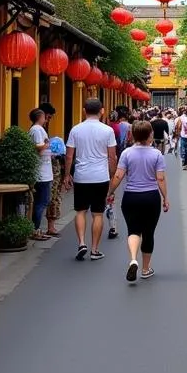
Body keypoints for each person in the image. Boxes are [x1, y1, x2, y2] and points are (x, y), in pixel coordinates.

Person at [108, 120, 169, 282]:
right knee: (148, 233)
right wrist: (165, 198)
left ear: (133, 135)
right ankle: (145, 268)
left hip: (131, 197)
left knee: (133, 230)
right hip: (151, 197)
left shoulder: (127, 153)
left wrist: (110, 192)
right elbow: (160, 179)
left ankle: (133, 259)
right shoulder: (156, 154)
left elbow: (118, 176)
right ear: (150, 134)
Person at [63, 98, 117, 261]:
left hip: (81, 176)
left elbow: (69, 156)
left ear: (84, 111)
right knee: (98, 214)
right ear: (102, 111)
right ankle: (94, 250)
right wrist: (112, 176)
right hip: (100, 177)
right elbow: (112, 157)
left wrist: (67, 174)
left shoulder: (76, 130)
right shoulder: (107, 131)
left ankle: (81, 243)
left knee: (80, 211)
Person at [28, 108, 58, 240]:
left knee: (43, 201)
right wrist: (48, 144)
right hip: (42, 172)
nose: (45, 119)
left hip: (44, 170)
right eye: (43, 117)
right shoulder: (36, 130)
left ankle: (37, 228)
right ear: (39, 117)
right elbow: (39, 148)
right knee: (41, 201)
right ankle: (36, 229)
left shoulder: (38, 129)